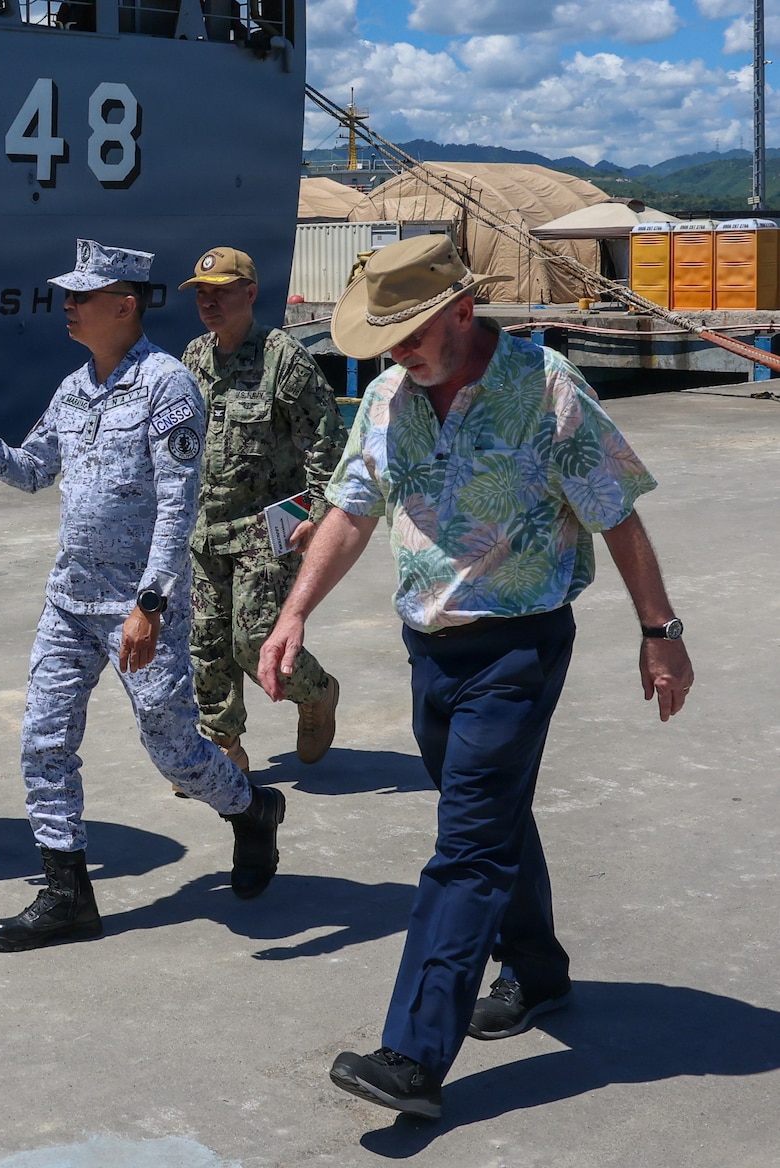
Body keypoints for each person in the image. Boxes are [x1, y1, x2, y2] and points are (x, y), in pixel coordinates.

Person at [256, 235, 694, 1119]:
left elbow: (617, 515)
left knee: (466, 849)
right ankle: (537, 972)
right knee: (491, 818)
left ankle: (412, 1055)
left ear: (462, 310)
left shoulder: (546, 389)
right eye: (387, 339)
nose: (398, 352)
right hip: (431, 647)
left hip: (519, 645)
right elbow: (349, 509)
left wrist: (660, 630)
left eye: (411, 332)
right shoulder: (386, 396)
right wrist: (296, 610)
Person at [0, 239, 286, 953]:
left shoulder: (166, 387)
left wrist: (150, 605)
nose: (67, 305)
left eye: (81, 296)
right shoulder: (72, 389)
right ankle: (67, 894)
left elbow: (178, 505)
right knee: (43, 740)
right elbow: (34, 470)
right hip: (70, 601)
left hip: (137, 606)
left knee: (174, 750)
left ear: (124, 305)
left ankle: (252, 810)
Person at [179, 246, 346, 778]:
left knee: (253, 642)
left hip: (267, 529)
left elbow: (324, 440)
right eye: (203, 293)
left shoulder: (283, 358)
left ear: (250, 294)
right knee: (204, 642)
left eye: (221, 292)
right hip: (205, 528)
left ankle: (317, 691)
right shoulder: (194, 359)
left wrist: (319, 515)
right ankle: (222, 747)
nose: (210, 302)